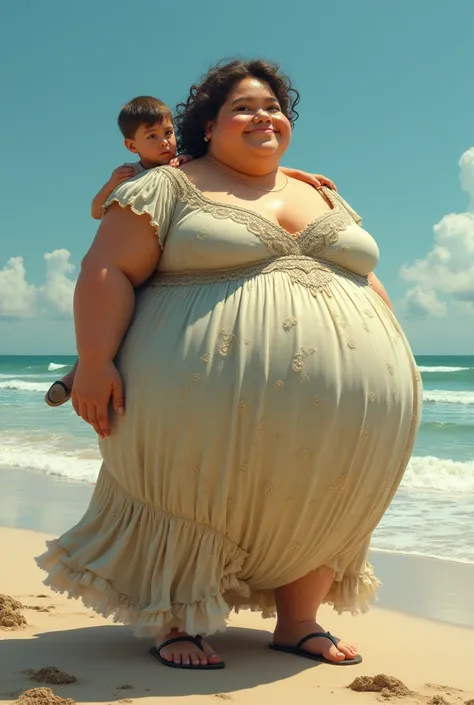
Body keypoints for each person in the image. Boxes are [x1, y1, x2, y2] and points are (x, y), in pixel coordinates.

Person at [37, 59, 421, 671]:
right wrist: (93, 360)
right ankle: (175, 618)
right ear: (208, 127)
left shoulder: (320, 190)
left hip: (352, 423)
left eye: (272, 106)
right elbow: (106, 269)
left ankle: (300, 622)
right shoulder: (169, 185)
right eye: (243, 106)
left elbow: (366, 280)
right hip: (182, 403)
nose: (263, 115)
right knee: (190, 495)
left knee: (326, 499)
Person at [44, 94, 336, 408]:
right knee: (107, 323)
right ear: (132, 146)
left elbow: (237, 166)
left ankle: (74, 378)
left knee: (122, 323)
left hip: (163, 254)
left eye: (168, 133)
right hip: (136, 255)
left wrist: (294, 175)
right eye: (152, 137)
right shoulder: (129, 173)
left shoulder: (183, 163)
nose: (164, 143)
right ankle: (75, 378)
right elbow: (94, 211)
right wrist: (111, 185)